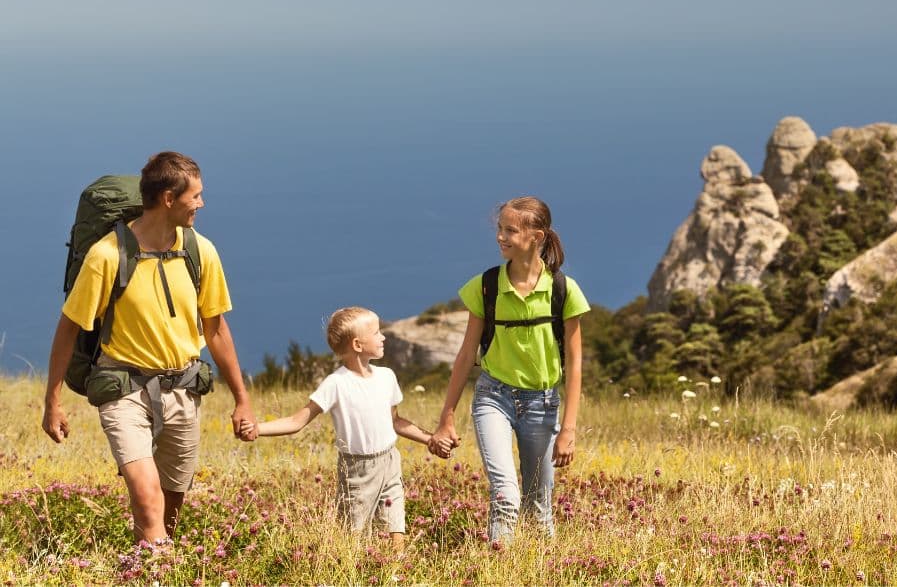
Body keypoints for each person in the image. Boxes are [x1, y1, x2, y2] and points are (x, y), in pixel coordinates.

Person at [41, 151, 257, 545]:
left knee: (170, 508)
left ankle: (150, 565)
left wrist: (241, 399)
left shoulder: (200, 250)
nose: (202, 204)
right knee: (146, 498)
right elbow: (68, 330)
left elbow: (217, 330)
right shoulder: (107, 255)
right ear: (169, 199)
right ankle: (156, 572)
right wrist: (52, 402)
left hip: (183, 389)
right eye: (196, 196)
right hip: (124, 390)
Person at [430, 196, 589, 543]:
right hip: (493, 398)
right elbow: (465, 355)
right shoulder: (486, 286)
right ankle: (498, 571)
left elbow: (575, 364)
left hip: (543, 405)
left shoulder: (563, 290)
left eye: (510, 230)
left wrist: (569, 430)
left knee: (539, 506)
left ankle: (539, 572)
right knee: (506, 495)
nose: (501, 237)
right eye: (500, 228)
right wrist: (447, 416)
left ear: (537, 236)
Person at [241, 307, 438, 548]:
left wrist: (431, 439)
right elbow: (297, 421)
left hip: (389, 461)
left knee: (395, 526)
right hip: (356, 469)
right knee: (352, 534)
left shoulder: (387, 377)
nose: (383, 337)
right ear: (357, 344)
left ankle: (396, 573)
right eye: (377, 333)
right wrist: (258, 428)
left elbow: (396, 421)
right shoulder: (335, 383)